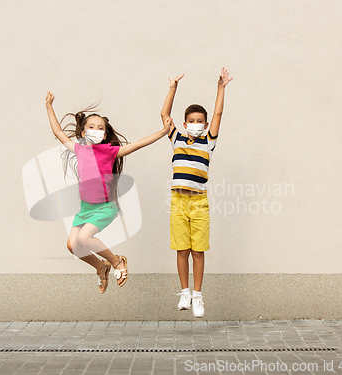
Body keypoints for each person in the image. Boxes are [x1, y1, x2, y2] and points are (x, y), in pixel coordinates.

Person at [46, 92, 170, 293]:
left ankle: (116, 261)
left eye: (100, 128)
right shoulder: (79, 150)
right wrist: (49, 106)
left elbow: (138, 144)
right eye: (91, 127)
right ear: (84, 133)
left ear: (105, 135)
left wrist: (163, 131)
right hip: (86, 208)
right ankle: (100, 267)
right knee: (73, 246)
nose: (96, 130)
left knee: (85, 239)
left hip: (105, 208)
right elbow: (58, 132)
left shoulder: (110, 151)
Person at [161, 68, 233, 317]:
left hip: (199, 201)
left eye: (199, 121)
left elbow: (218, 113)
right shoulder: (176, 139)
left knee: (198, 250)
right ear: (184, 124)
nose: (195, 124)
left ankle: (198, 295)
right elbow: (164, 114)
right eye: (191, 121)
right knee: (182, 249)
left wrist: (221, 87)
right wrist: (173, 87)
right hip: (178, 200)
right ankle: (185, 292)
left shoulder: (208, 141)